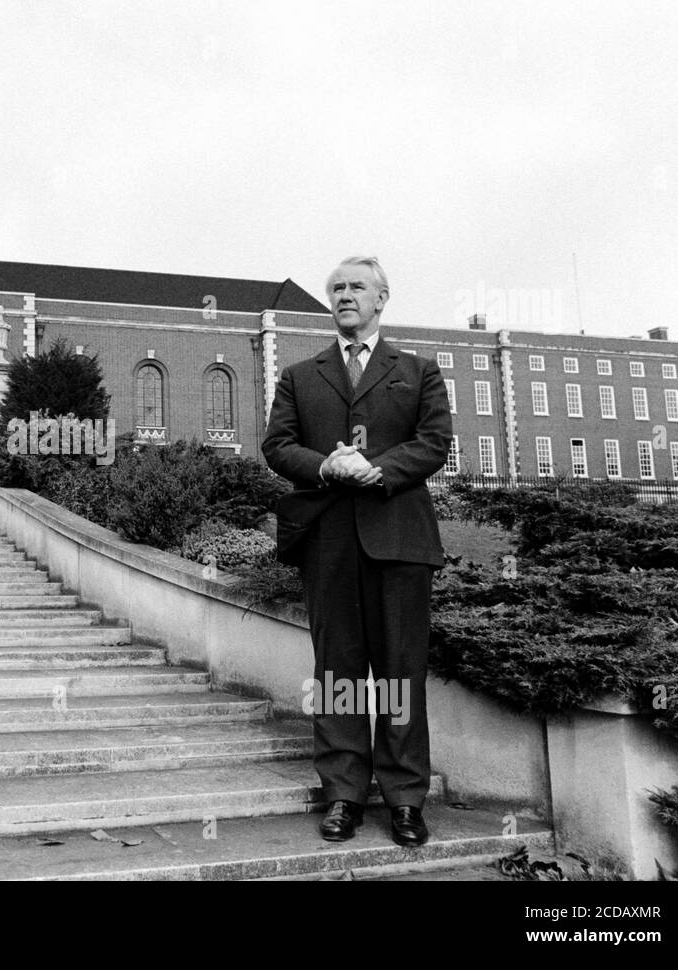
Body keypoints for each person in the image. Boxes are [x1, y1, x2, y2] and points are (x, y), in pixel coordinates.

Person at [261, 256, 452, 847]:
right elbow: (277, 445)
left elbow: (434, 443)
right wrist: (325, 465)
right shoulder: (300, 374)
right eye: (337, 288)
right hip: (330, 541)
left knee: (399, 671)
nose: (345, 295)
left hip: (399, 537)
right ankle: (343, 793)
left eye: (357, 287)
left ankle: (403, 799)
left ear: (381, 298)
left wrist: (375, 469)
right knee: (338, 672)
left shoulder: (418, 371)